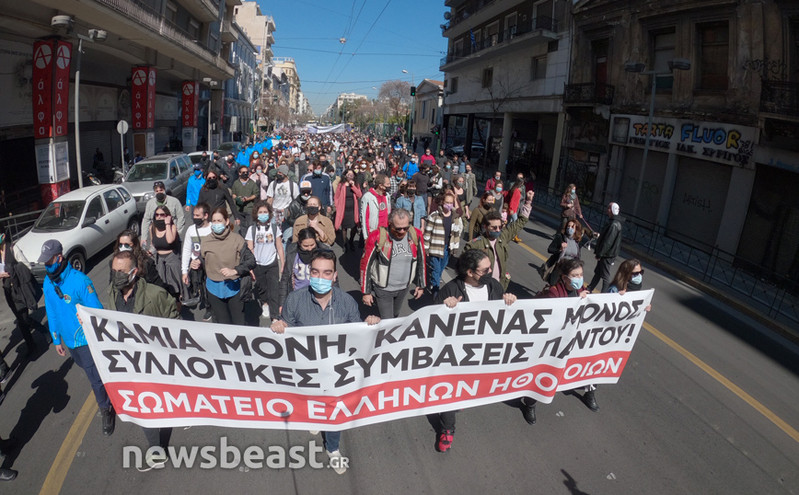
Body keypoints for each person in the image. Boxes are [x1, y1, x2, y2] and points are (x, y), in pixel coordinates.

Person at [271, 250, 380, 474]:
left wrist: (370, 324)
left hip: (335, 372)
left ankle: (333, 448)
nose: (320, 277)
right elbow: (287, 330)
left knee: (334, 410)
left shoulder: (347, 302)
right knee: (313, 403)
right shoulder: (295, 300)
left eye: (327, 273)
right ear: (309, 273)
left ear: (335, 275)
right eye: (316, 272)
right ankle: (315, 419)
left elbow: (357, 334)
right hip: (307, 371)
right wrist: (279, 327)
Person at [434, 249, 518, 451]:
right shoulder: (451, 289)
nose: (490, 272)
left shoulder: (493, 285)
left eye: (490, 268)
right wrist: (445, 308)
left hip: (482, 350)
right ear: (470, 272)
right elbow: (433, 322)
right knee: (450, 388)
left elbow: (503, 315)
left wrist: (509, 301)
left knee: (467, 384)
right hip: (456, 352)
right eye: (485, 270)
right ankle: (447, 429)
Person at [106, 250, 177, 466]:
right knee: (144, 407)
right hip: (131, 365)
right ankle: (156, 447)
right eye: (114, 271)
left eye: (121, 271)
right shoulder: (112, 293)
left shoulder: (155, 295)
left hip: (156, 363)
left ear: (134, 272)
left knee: (163, 401)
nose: (116, 275)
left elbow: (175, 323)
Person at [39, 240, 114, 435]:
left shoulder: (80, 281)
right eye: (44, 262)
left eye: (49, 261)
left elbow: (97, 311)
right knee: (90, 370)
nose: (46, 265)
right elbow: (51, 311)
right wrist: (56, 339)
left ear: (59, 257)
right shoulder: (48, 282)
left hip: (85, 341)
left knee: (94, 378)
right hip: (69, 341)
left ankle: (106, 407)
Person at [535, 258, 590, 422]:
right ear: (565, 278)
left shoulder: (582, 289)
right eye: (575, 275)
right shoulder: (554, 292)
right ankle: (531, 403)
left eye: (581, 274)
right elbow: (555, 317)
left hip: (570, 341)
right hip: (554, 341)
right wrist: (576, 301)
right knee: (544, 372)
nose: (579, 278)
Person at [360, 208, 426, 319]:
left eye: (406, 228)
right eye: (398, 228)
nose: (402, 231)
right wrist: (366, 292)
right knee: (388, 320)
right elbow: (365, 265)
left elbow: (422, 260)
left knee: (395, 315)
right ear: (390, 223)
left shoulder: (416, 235)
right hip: (383, 289)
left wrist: (421, 285)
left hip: (403, 288)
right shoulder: (377, 236)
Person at [464, 190, 534, 291]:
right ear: (486, 227)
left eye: (500, 227)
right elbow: (464, 270)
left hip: (499, 287)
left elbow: (520, 222)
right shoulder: (475, 244)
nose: (497, 230)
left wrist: (528, 202)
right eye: (494, 227)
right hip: (482, 288)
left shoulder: (503, 236)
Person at [200, 207, 256, 325]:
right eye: (214, 221)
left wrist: (235, 270)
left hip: (234, 288)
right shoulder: (205, 241)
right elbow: (203, 260)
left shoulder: (237, 239)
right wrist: (196, 263)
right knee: (222, 324)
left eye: (219, 221)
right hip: (214, 289)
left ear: (226, 222)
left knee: (238, 323)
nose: (216, 224)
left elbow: (251, 261)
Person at [0, 230, 38, 358]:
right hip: (9, 292)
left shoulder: (13, 249)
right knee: (21, 320)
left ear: (3, 236)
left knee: (24, 319)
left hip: (20, 290)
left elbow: (27, 267)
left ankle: (43, 330)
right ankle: (31, 345)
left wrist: (12, 272)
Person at [245, 201, 284, 320]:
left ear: (269, 213)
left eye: (265, 212)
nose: (263, 214)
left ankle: (275, 316)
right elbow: (250, 248)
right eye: (260, 212)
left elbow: (279, 246)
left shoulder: (274, 228)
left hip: (272, 262)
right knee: (262, 287)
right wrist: (250, 267)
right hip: (258, 263)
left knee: (274, 288)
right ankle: (265, 303)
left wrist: (283, 263)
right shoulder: (252, 229)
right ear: (256, 214)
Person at [424, 191, 464, 296]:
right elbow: (427, 232)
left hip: (447, 247)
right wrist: (426, 247)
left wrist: (455, 248)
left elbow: (456, 234)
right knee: (436, 269)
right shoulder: (435, 215)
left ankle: (434, 281)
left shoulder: (454, 217)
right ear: (442, 202)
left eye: (451, 203)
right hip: (435, 247)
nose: (449, 205)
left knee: (441, 268)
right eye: (447, 202)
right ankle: (436, 291)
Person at [181, 203, 213, 321]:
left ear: (206, 216)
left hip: (212, 264)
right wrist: (185, 271)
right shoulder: (191, 230)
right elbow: (186, 250)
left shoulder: (213, 228)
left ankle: (215, 306)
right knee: (202, 286)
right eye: (194, 215)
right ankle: (208, 307)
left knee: (212, 287)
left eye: (197, 215)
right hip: (197, 266)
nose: (194, 218)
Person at [278, 228, 324, 310]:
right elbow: (285, 279)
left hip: (318, 297)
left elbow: (333, 279)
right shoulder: (292, 254)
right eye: (305, 246)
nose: (309, 249)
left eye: (312, 245)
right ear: (299, 243)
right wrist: (282, 303)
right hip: (298, 298)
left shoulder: (324, 254)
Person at [149, 206, 183, 301]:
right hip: (160, 260)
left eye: (162, 215)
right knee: (162, 285)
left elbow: (170, 240)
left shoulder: (172, 227)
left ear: (167, 216)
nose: (159, 217)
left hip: (172, 259)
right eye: (157, 215)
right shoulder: (152, 228)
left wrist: (167, 224)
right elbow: (153, 244)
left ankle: (178, 301)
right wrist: (150, 251)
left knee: (175, 286)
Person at [587, 202, 623, 293]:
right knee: (598, 273)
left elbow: (608, 242)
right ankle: (589, 288)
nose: (607, 210)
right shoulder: (614, 223)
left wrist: (600, 254)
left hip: (607, 254)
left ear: (612, 210)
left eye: (608, 208)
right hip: (607, 253)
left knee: (605, 276)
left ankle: (603, 295)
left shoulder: (614, 224)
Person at [141, 181, 185, 248]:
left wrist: (177, 233)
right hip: (157, 237)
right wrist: (144, 238)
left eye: (161, 190)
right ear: (154, 192)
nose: (159, 192)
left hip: (172, 235)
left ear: (164, 190)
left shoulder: (174, 201)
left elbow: (181, 217)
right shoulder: (150, 204)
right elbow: (146, 220)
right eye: (157, 191)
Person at [543, 219, 585, 286]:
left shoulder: (577, 243)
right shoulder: (560, 237)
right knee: (554, 286)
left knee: (566, 287)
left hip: (570, 269)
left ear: (576, 230)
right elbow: (550, 249)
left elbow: (578, 257)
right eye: (568, 226)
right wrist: (560, 249)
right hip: (560, 267)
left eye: (572, 227)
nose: (569, 228)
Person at [265, 165, 299, 236]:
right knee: (273, 234)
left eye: (280, 172)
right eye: (278, 172)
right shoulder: (273, 184)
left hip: (287, 213)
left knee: (287, 235)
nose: (278, 174)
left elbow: (296, 200)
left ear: (285, 173)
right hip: (275, 212)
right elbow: (269, 199)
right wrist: (268, 212)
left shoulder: (293, 185)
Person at [334, 169, 362, 252]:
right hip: (344, 210)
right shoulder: (341, 185)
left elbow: (359, 195)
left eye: (351, 174)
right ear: (345, 175)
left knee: (354, 226)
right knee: (344, 228)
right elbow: (336, 197)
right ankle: (345, 244)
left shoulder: (356, 184)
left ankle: (351, 241)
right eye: (348, 174)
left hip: (353, 209)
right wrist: (337, 206)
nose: (350, 176)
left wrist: (353, 186)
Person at [360, 173, 391, 243]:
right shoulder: (367, 197)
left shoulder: (387, 196)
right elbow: (364, 218)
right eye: (387, 184)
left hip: (385, 231)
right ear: (380, 185)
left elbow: (388, 212)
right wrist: (366, 236)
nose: (389, 186)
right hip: (374, 232)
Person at [230, 165, 260, 231]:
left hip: (249, 208)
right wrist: (238, 198)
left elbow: (256, 194)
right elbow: (233, 194)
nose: (245, 174)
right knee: (242, 227)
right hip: (239, 209)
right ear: (239, 173)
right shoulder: (236, 183)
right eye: (243, 172)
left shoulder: (252, 183)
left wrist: (248, 199)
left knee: (250, 226)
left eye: (246, 172)